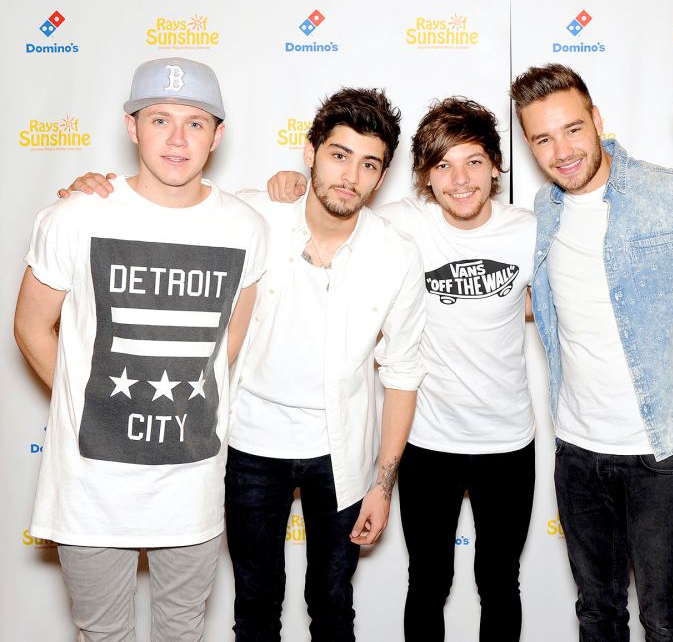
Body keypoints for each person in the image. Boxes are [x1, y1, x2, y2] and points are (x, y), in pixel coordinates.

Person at [59, 87, 427, 641]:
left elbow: (402, 374)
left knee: (334, 606)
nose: (350, 175)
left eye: (368, 163)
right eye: (338, 154)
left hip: (342, 455)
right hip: (248, 444)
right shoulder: (252, 214)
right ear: (310, 153)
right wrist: (95, 192)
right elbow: (167, 203)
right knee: (254, 606)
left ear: (382, 175)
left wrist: (383, 484)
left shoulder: (396, 254)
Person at [14, 57, 267, 641]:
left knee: (181, 631)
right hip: (90, 487)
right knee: (103, 634)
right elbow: (30, 327)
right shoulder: (75, 216)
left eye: (196, 123)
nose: (177, 139)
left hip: (192, 484)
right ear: (131, 126)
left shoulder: (246, 227)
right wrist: (97, 399)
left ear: (218, 135)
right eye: (159, 119)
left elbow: (226, 345)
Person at [266, 97, 536, 641]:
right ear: (423, 177)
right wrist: (288, 185)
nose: (460, 180)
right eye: (442, 166)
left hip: (508, 442)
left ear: (496, 167)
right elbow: (329, 205)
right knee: (428, 580)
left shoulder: (529, 230)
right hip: (426, 442)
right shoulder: (395, 225)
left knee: (500, 581)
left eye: (474, 162)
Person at [509, 63, 673, 642]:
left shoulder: (668, 193)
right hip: (577, 450)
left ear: (597, 121)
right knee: (597, 612)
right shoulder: (543, 210)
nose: (561, 150)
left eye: (572, 129)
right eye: (542, 138)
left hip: (659, 450)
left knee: (666, 616)